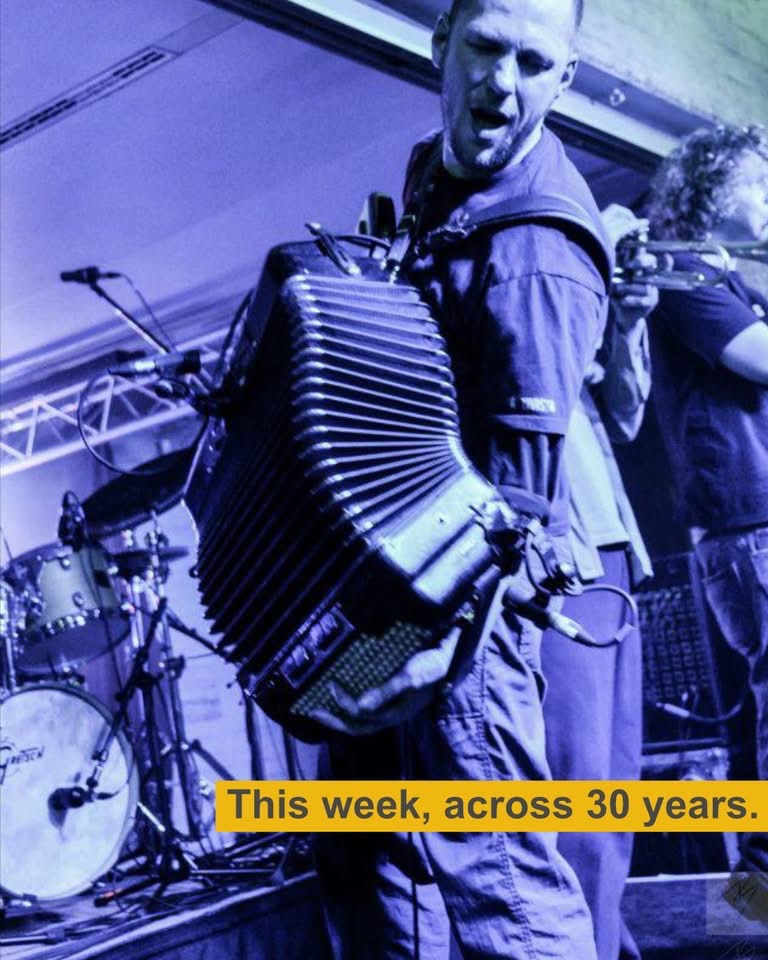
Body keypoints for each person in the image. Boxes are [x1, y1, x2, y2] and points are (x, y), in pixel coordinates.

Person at [310, 1, 615, 957]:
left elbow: (512, 519)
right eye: (485, 47)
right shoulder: (432, 179)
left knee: (503, 886)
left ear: (565, 80)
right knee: (370, 861)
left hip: (463, 620)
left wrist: (410, 653)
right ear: (441, 44)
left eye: (535, 62)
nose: (503, 83)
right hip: (391, 597)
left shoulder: (539, 254)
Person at [646, 123, 768, 877]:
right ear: (712, 189)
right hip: (750, 525)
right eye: (758, 181)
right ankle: (756, 906)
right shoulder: (682, 270)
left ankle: (750, 912)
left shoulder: (727, 279)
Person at [541, 203, 656, 960]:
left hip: (611, 544)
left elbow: (625, 416)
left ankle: (603, 938)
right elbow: (537, 371)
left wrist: (627, 321)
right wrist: (594, 278)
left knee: (616, 786)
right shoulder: (525, 277)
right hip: (562, 558)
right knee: (578, 783)